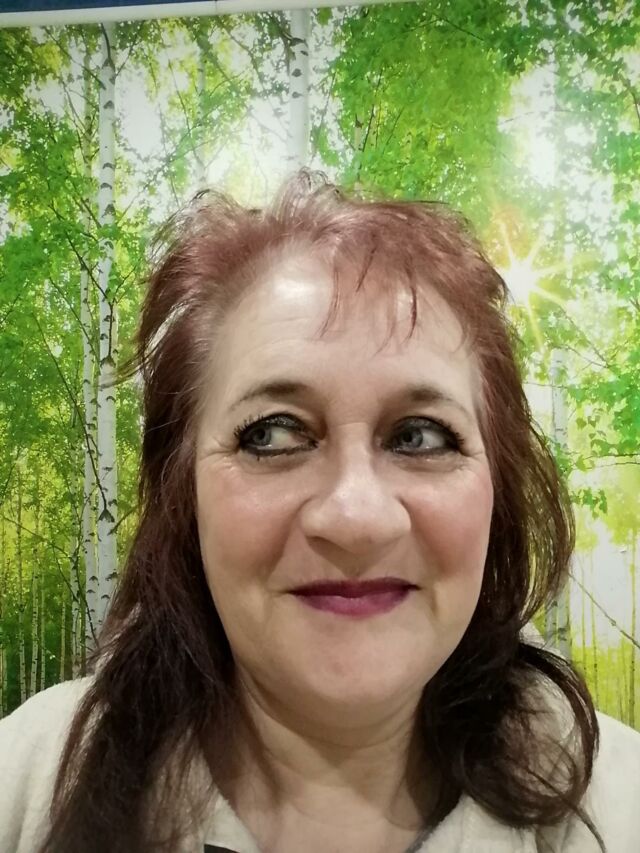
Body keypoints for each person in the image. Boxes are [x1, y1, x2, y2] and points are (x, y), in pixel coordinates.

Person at [1, 172, 639, 853]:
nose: (356, 517)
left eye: (419, 436)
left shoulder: (616, 805)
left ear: (496, 496)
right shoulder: (29, 783)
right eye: (272, 433)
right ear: (184, 497)